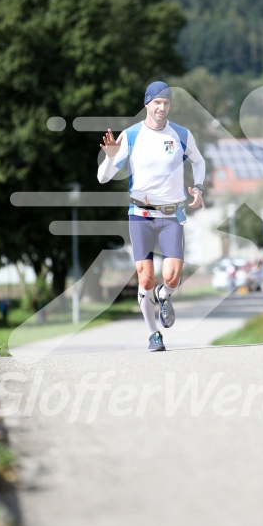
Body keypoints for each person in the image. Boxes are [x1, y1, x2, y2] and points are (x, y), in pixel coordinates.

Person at [97, 81, 206, 351]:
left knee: (171, 276)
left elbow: (199, 161)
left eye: (166, 103)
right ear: (147, 104)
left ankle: (164, 294)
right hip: (140, 215)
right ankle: (153, 334)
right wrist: (110, 157)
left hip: (171, 215)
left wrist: (199, 187)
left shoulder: (181, 134)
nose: (162, 107)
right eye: (157, 102)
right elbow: (102, 178)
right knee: (145, 278)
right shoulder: (131, 135)